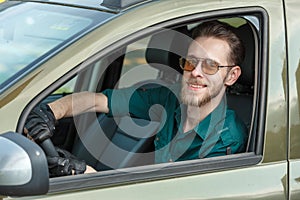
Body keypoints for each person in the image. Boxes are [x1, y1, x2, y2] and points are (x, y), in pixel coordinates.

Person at [25, 20, 248, 175]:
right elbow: (97, 100)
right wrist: (50, 112)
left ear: (232, 76)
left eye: (210, 65)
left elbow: (172, 192)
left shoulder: (226, 139)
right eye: (190, 62)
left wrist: (88, 175)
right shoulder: (168, 98)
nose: (196, 72)